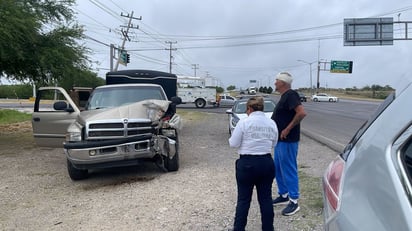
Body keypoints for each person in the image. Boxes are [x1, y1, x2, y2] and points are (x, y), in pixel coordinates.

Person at [228, 97, 279, 231]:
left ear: (249, 109)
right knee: (266, 199)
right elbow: (274, 143)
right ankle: (268, 228)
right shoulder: (271, 123)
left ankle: (239, 228)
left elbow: (233, 143)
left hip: (247, 164)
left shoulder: (244, 123)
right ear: (262, 108)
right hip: (266, 162)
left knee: (243, 200)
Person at [271, 72, 307, 216]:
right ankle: (284, 195)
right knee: (278, 168)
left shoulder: (291, 94)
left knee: (288, 168)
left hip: (288, 140)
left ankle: (294, 200)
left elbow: (301, 113)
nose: (274, 83)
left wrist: (287, 128)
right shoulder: (284, 97)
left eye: (277, 80)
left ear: (283, 83)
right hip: (280, 140)